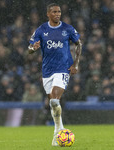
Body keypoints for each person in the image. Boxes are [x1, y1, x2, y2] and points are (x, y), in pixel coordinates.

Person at [28, 3, 82, 146]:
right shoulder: (41, 30)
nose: (57, 14)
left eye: (59, 12)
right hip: (47, 71)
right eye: (54, 12)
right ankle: (57, 132)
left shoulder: (67, 28)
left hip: (63, 69)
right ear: (48, 14)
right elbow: (30, 48)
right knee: (53, 105)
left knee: (54, 100)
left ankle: (59, 131)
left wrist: (75, 64)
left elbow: (79, 44)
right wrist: (33, 48)